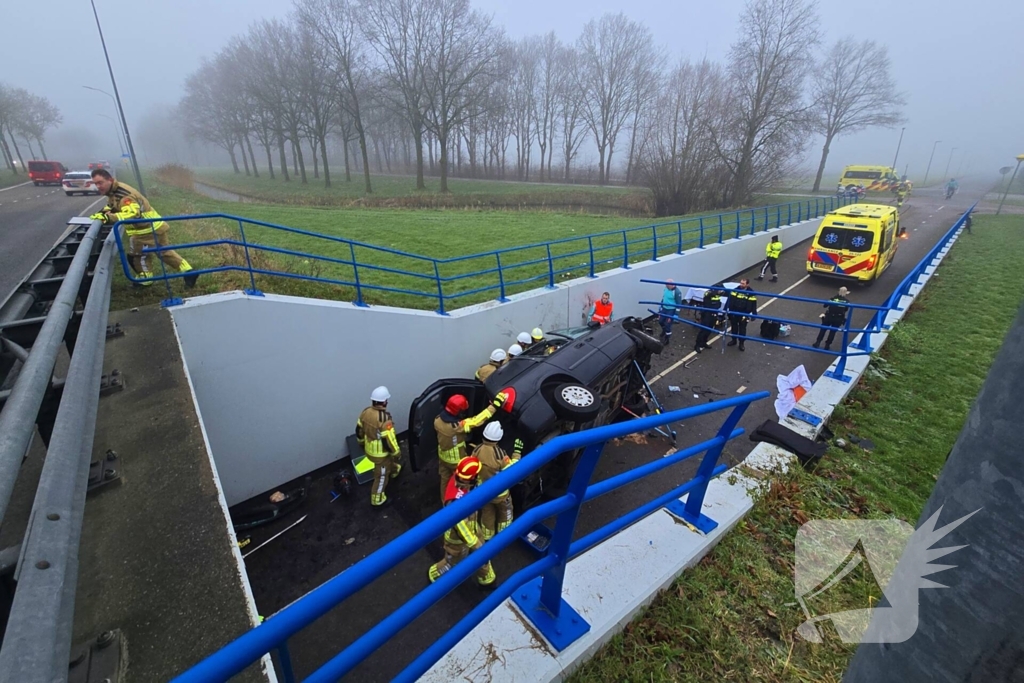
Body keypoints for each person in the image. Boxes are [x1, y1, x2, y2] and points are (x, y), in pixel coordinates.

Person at [89, 168, 197, 288]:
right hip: (155, 225)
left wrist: (109, 218)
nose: (98, 186)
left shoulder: (124, 195)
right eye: (95, 184)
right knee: (164, 252)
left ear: (110, 180)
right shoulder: (114, 191)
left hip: (145, 230)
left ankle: (146, 278)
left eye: (100, 182)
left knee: (137, 255)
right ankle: (189, 272)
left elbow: (132, 214)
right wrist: (102, 213)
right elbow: (112, 205)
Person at [427, 456, 497, 588]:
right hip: (456, 539)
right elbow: (459, 525)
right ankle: (435, 574)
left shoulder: (462, 481)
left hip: (472, 527)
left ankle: (486, 579)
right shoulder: (455, 501)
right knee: (452, 562)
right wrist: (473, 543)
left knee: (483, 554)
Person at [434, 392, 508, 501]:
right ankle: (461, 509)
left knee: (445, 482)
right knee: (462, 485)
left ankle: (445, 506)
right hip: (456, 460)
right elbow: (477, 421)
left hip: (442, 456)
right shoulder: (456, 426)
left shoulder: (437, 420)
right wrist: (494, 406)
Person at [472, 422, 522, 541]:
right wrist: (517, 453)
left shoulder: (477, 450)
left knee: (487, 515)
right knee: (505, 512)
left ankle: (487, 537)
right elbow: (512, 468)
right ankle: (504, 535)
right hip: (501, 494)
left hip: (483, 492)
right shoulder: (500, 455)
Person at [356, 386, 402, 507]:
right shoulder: (384, 419)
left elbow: (359, 430)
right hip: (380, 454)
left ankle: (394, 470)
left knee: (388, 462)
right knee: (381, 476)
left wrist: (361, 441)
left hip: (368, 449)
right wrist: (396, 452)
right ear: (384, 401)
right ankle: (377, 499)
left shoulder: (365, 412)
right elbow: (389, 440)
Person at [726, 279, 757, 352]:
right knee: (734, 327)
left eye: (743, 284)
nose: (741, 285)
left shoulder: (751, 293)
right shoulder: (735, 290)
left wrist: (754, 314)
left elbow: (753, 304)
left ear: (747, 284)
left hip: (744, 313)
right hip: (734, 312)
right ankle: (734, 340)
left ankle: (741, 343)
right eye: (741, 283)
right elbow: (730, 300)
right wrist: (727, 310)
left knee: (742, 329)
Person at [693, 286, 725, 353]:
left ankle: (704, 342)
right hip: (707, 314)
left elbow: (718, 304)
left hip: (714, 313)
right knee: (703, 330)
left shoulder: (717, 295)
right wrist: (716, 292)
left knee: (709, 329)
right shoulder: (709, 293)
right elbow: (707, 297)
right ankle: (697, 345)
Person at [657, 280, 684, 344]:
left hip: (671, 310)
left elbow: (678, 304)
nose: (666, 286)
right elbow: (664, 298)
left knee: (668, 324)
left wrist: (676, 314)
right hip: (664, 308)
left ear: (671, 285)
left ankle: (667, 338)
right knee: (660, 321)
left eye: (667, 285)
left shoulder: (677, 292)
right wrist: (661, 306)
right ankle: (664, 330)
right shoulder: (666, 289)